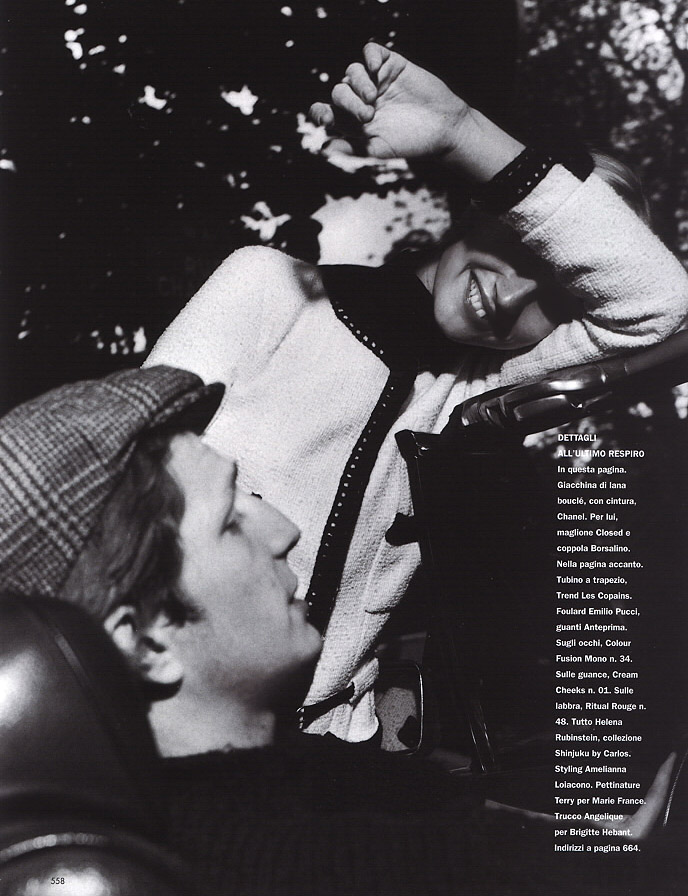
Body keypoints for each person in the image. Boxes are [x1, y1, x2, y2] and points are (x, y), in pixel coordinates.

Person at [144, 44, 688, 743]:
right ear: (489, 206)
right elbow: (120, 490)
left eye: (558, 299)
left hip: (339, 755)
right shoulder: (267, 288)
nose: (512, 295)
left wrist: (463, 131)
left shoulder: (480, 390)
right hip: (175, 726)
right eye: (529, 251)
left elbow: (660, 304)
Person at [0, 365, 680, 896]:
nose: (286, 530)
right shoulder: (350, 870)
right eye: (231, 522)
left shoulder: (331, 791)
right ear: (146, 641)